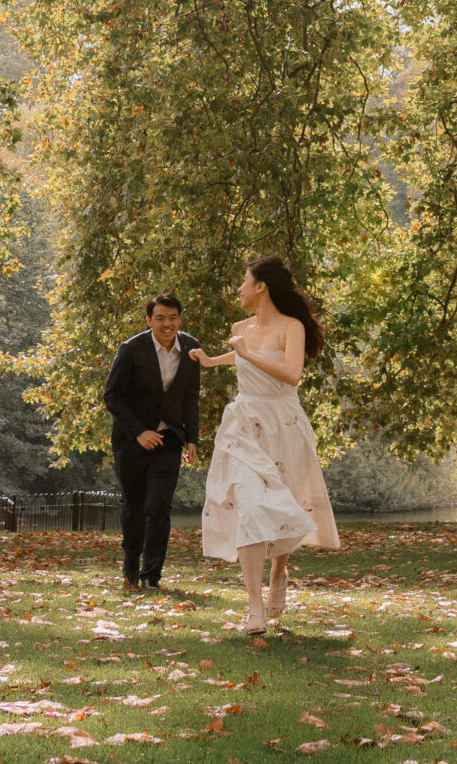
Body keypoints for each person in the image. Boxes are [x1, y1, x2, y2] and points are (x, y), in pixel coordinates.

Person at [198, 255, 338, 634]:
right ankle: (253, 606)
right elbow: (243, 359)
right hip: (244, 426)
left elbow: (291, 374)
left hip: (284, 424)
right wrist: (214, 361)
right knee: (250, 505)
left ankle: (280, 568)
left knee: (283, 504)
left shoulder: (292, 327)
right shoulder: (240, 328)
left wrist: (246, 353)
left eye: (243, 282)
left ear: (261, 286)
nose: (239, 289)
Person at [102, 292, 201, 592]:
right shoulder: (132, 349)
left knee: (158, 507)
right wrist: (138, 432)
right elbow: (112, 396)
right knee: (134, 505)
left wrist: (193, 439)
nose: (167, 324)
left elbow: (190, 397)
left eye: (172, 318)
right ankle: (131, 559)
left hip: (169, 440)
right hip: (131, 441)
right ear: (149, 320)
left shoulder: (192, 348)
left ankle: (152, 575)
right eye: (160, 318)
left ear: (180, 319)